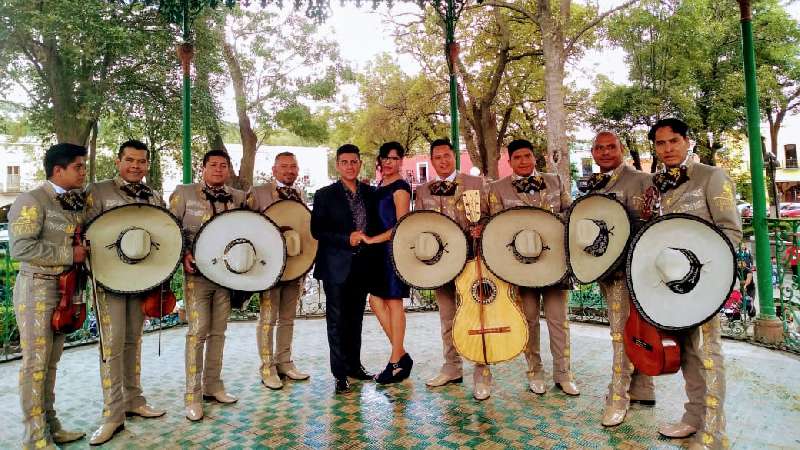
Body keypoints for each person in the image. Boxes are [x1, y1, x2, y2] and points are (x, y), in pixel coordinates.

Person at [648, 118, 742, 450]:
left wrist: (710, 275)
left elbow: (731, 231)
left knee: (708, 354)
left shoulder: (712, 177)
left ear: (687, 141)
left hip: (704, 285)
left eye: (673, 141)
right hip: (669, 285)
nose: (667, 149)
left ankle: (714, 432)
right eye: (660, 144)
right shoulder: (656, 183)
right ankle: (692, 419)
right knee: (688, 352)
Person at [84, 140, 167, 444]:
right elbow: (84, 230)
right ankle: (112, 414)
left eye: (142, 161)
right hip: (108, 281)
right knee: (112, 346)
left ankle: (135, 400)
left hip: (142, 278)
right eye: (130, 160)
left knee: (134, 340)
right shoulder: (97, 191)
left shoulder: (154, 195)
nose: (136, 166)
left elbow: (164, 236)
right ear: (118, 161)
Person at [8, 143, 89, 449]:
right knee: (35, 362)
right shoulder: (32, 199)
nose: (83, 172)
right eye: (78, 167)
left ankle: (51, 425)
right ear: (59, 170)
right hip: (37, 288)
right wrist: (71, 254)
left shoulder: (76, 201)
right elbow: (21, 249)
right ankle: (34, 435)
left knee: (51, 362)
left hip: (66, 290)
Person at [487, 139, 578, 400]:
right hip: (520, 268)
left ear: (534, 158)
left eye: (527, 156)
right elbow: (495, 227)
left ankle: (564, 374)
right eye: (518, 157)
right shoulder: (497, 189)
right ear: (510, 161)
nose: (524, 161)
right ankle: (534, 372)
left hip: (555, 263)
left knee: (559, 321)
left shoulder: (555, 181)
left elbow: (570, 211)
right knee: (528, 322)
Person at [581, 131, 656, 427]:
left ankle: (619, 397)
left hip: (632, 268)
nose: (605, 152)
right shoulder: (591, 185)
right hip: (604, 269)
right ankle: (642, 388)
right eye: (599, 148)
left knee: (621, 333)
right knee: (628, 327)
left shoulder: (641, 179)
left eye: (610, 147)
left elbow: (653, 220)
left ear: (621, 149)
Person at [169, 150, 246, 422]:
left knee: (219, 332)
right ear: (202, 168)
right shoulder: (183, 193)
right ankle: (192, 394)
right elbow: (170, 228)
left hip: (226, 276)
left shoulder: (238, 197)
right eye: (213, 165)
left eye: (223, 165)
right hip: (197, 275)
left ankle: (214, 385)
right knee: (197, 332)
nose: (218, 169)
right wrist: (184, 255)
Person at [414, 138, 492, 400]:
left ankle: (482, 373)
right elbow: (419, 226)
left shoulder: (475, 183)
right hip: (441, 266)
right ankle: (451, 367)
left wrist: (482, 228)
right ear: (432, 160)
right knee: (447, 318)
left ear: (453, 157)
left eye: (447, 155)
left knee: (476, 317)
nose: (443, 161)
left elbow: (493, 216)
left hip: (472, 262)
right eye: (437, 157)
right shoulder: (424, 191)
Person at [310, 144, 375, 394]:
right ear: (338, 165)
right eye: (345, 162)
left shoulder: (370, 192)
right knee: (336, 321)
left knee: (356, 319)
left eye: (354, 162)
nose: (350, 166)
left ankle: (354, 366)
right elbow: (318, 231)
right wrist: (345, 239)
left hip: (362, 265)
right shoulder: (324, 194)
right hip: (335, 265)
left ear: (360, 164)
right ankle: (339, 375)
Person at [246, 152, 310, 390]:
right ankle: (267, 366)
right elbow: (248, 225)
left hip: (294, 265)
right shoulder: (258, 192)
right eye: (283, 166)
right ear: (273, 170)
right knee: (268, 318)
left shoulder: (300, 194)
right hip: (268, 267)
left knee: (287, 318)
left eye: (293, 166)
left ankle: (285, 362)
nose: (289, 170)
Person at [363, 142, 413, 384]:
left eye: (394, 158)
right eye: (386, 158)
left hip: (392, 250)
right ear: (380, 160)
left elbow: (401, 225)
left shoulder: (401, 187)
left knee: (394, 303)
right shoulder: (378, 185)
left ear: (401, 160)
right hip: (375, 253)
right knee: (375, 301)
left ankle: (395, 362)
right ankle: (401, 355)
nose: (389, 162)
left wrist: (373, 239)